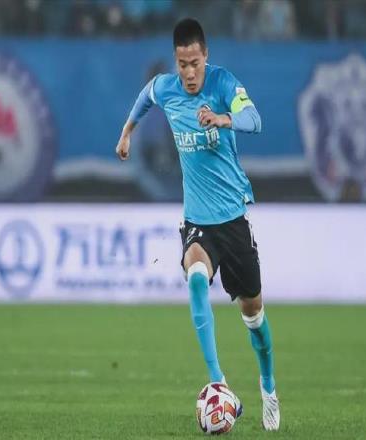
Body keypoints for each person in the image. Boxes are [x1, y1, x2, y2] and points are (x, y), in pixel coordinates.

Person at [114, 17, 280, 431]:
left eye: (195, 63)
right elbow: (146, 96)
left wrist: (224, 119)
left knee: (254, 317)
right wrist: (128, 131)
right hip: (197, 222)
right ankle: (218, 382)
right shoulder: (166, 87)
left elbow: (255, 120)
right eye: (182, 64)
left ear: (206, 56)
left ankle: (268, 387)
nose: (189, 72)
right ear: (176, 61)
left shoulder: (223, 84)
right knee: (195, 277)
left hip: (233, 221)